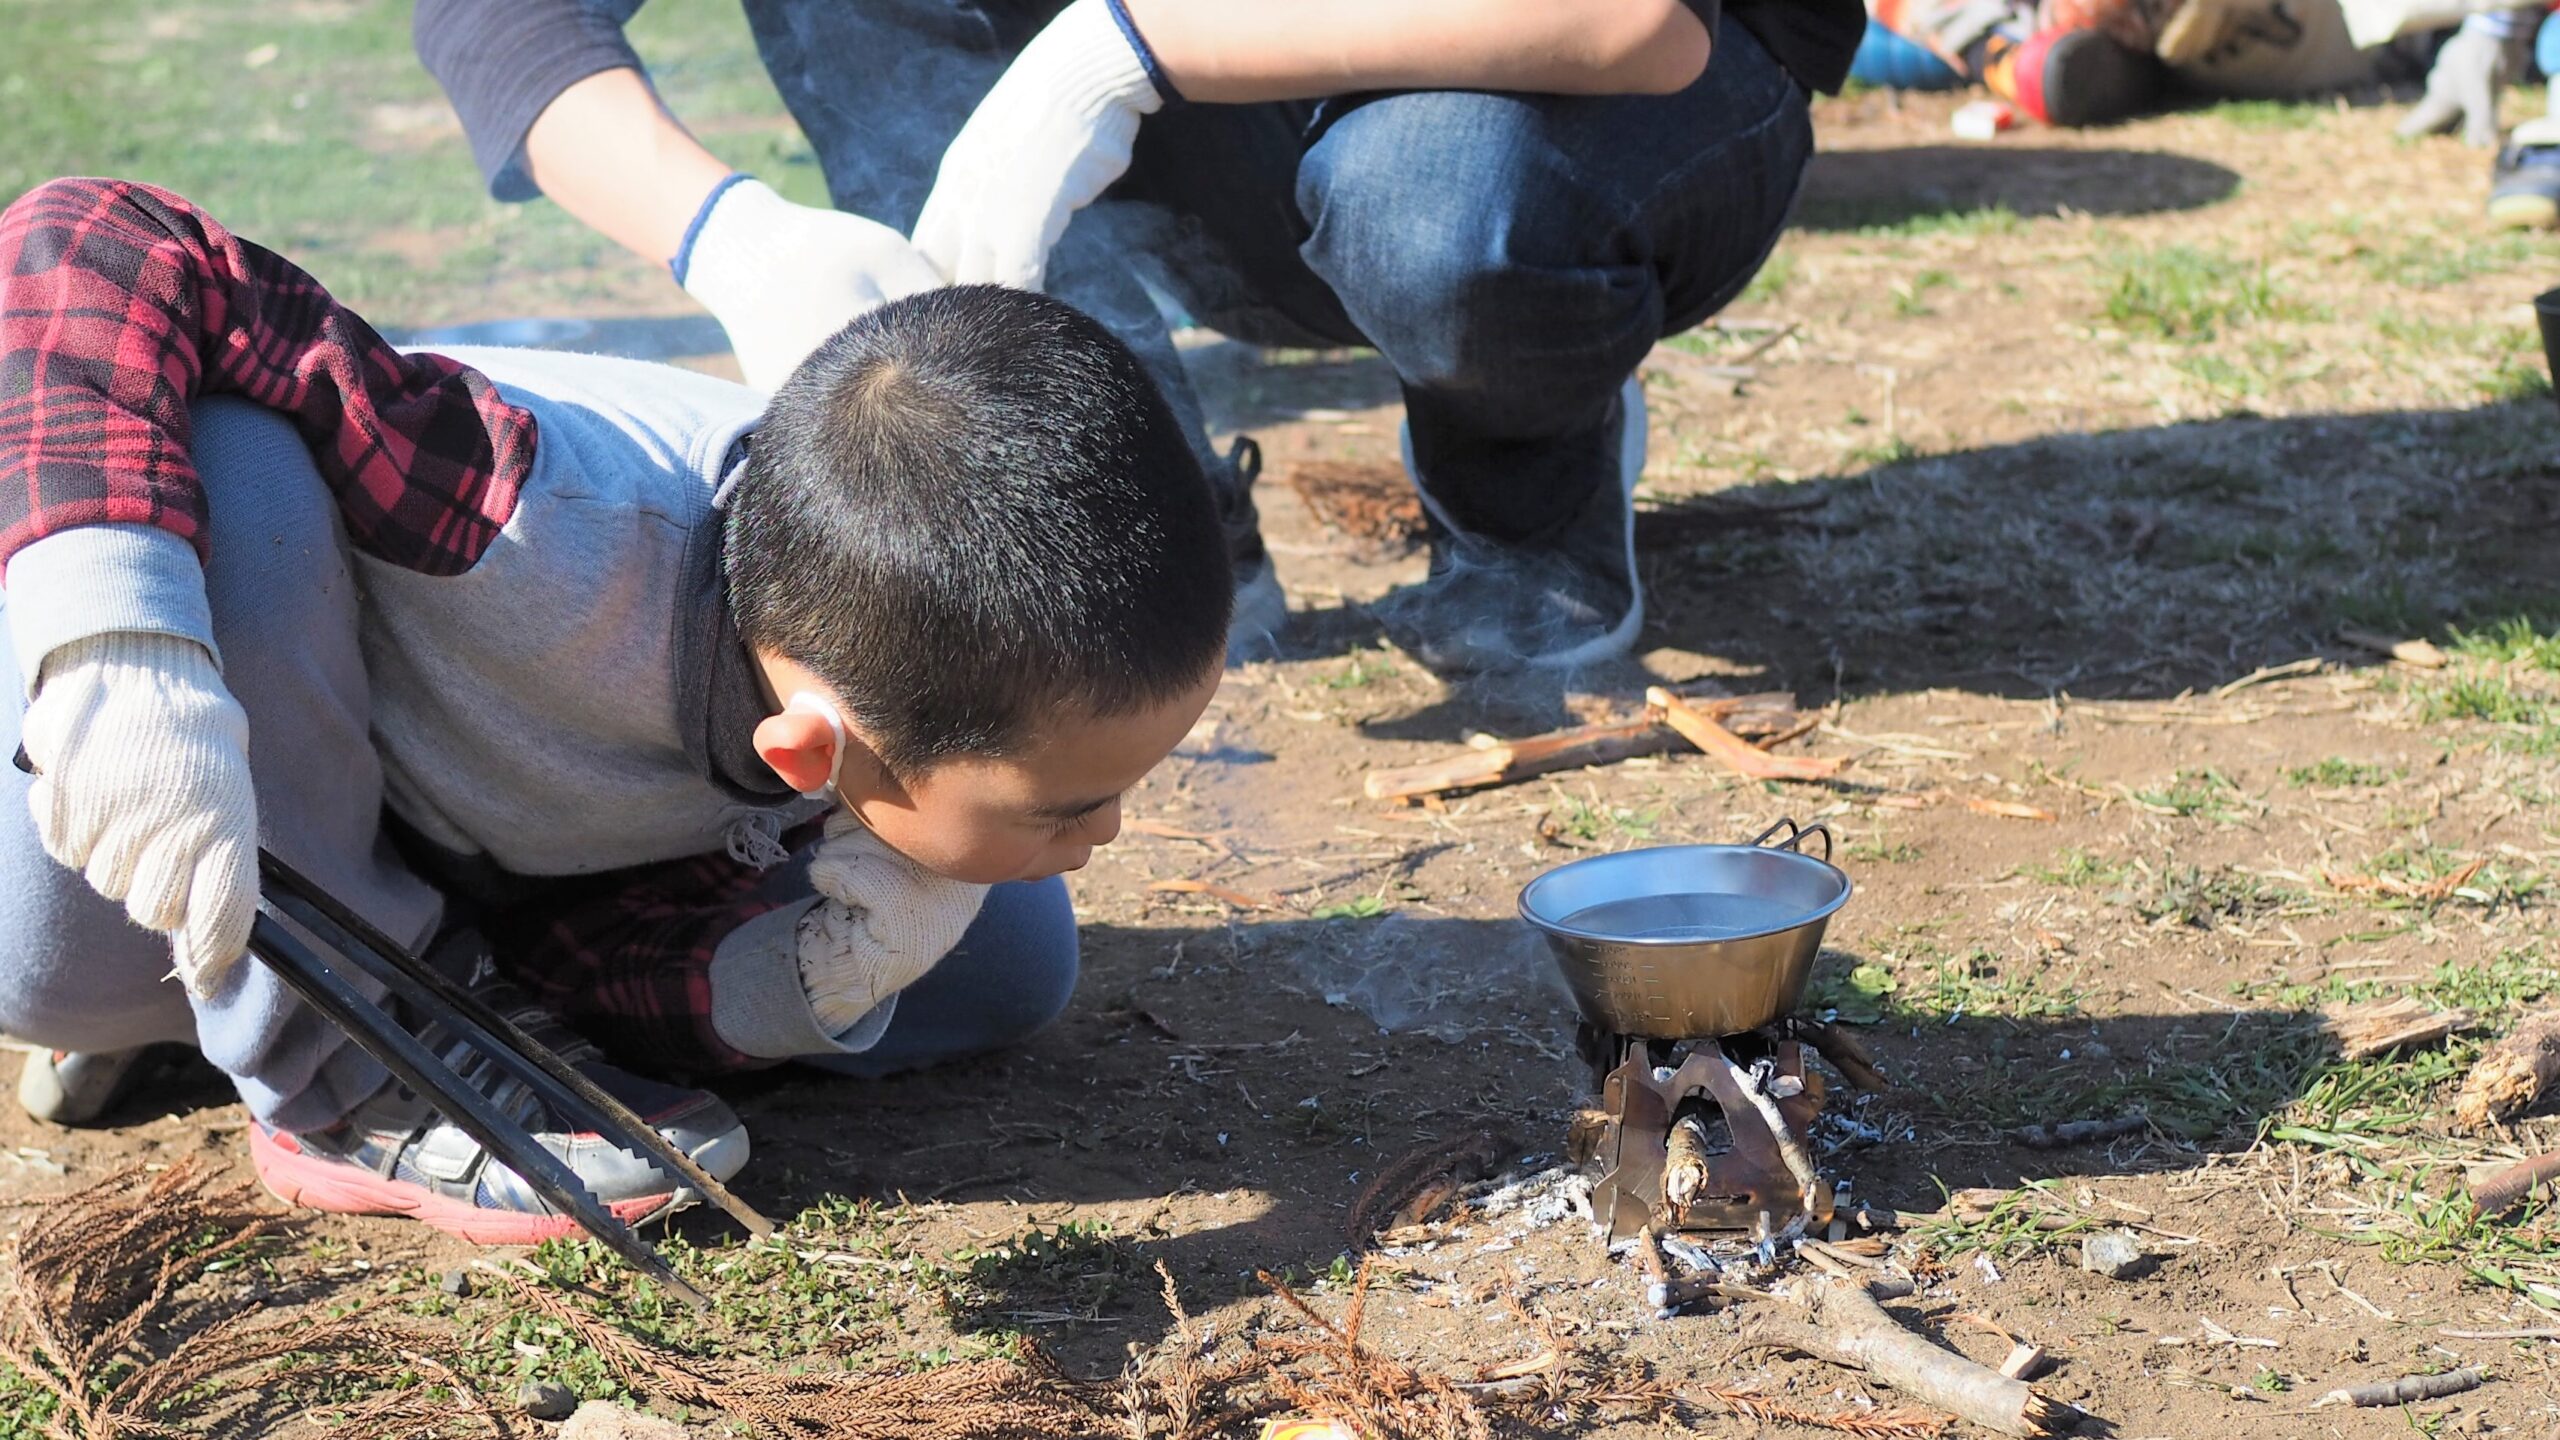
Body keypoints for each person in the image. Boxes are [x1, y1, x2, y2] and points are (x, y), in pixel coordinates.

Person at [0, 176, 1230, 1241]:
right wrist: (119, 652)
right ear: (812, 750)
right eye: (1081, 800)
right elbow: (90, 230)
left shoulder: (867, 613)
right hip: (73, 844)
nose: (1111, 832)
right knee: (240, 466)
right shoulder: (514, 504)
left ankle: (318, 997)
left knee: (1003, 963)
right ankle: (339, 1073)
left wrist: (799, 973)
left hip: (420, 860)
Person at [414, 0, 1864, 672]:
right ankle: (1149, 512)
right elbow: (500, 15)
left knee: (1436, 221)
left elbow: (1634, 24)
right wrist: (722, 231)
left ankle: (1527, 491)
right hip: (1225, 142)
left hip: (1591, 112)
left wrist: (1121, 48)